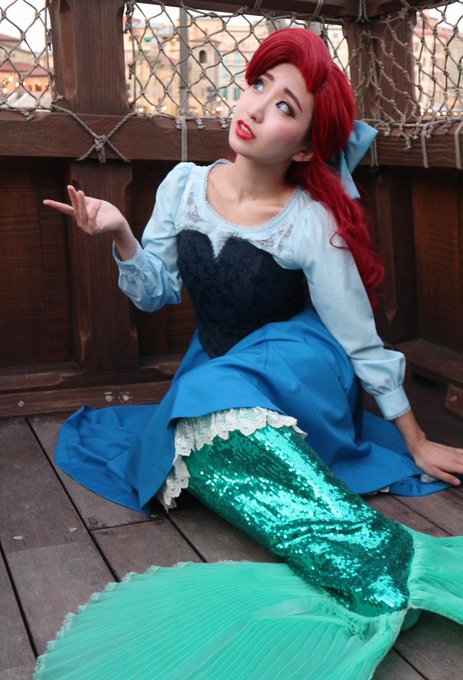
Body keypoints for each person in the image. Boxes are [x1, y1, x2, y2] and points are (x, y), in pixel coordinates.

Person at [36, 27, 463, 680]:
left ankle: (372, 563)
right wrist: (120, 232)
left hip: (299, 363)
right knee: (192, 430)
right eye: (259, 85)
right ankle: (368, 553)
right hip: (220, 365)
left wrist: (415, 440)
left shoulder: (310, 220)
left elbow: (358, 338)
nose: (257, 107)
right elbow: (154, 294)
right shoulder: (182, 186)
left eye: (285, 106)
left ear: (305, 147)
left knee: (206, 406)